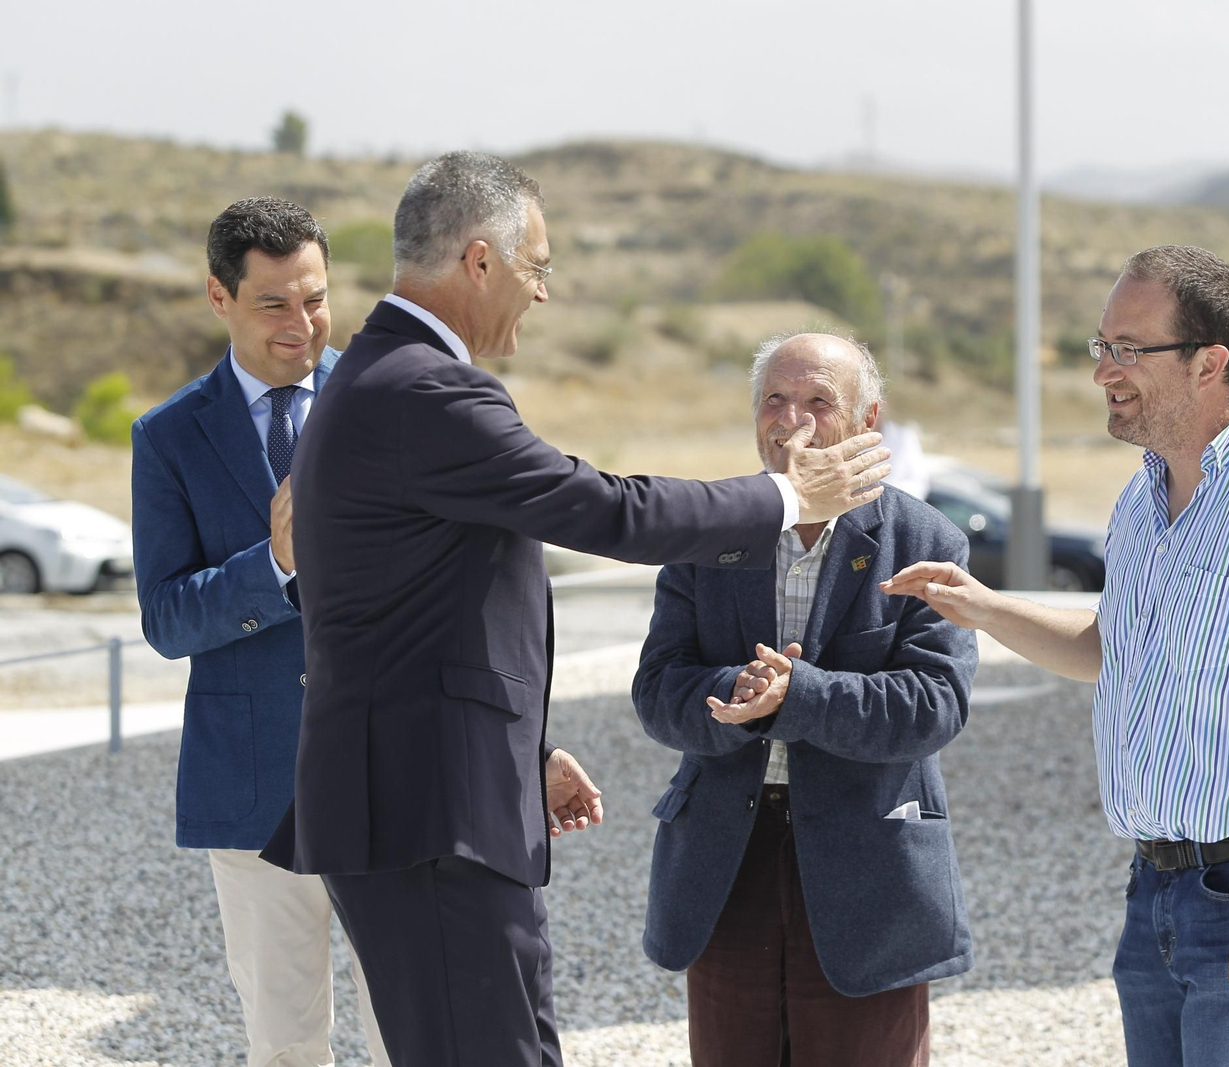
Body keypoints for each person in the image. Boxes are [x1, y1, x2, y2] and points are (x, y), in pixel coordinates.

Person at [259, 153, 891, 1067]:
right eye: (537, 267)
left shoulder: (378, 381)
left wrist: (524, 752)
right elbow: (608, 508)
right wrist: (787, 497)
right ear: (480, 262)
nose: (543, 294)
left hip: (433, 798)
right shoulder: (426, 391)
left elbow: (411, 620)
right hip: (430, 816)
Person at [883, 245, 1229, 1067]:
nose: (1103, 371)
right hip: (1157, 883)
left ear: (1209, 363)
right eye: (1100, 347)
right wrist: (977, 604)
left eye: (1128, 349)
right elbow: (1111, 648)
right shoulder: (1144, 495)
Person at [633, 332, 977, 1067]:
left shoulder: (924, 538)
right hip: (727, 867)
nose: (793, 419)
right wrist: (733, 693)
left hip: (869, 874)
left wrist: (799, 697)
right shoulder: (710, 531)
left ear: (867, 420)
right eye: (775, 399)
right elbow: (657, 687)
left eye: (820, 400)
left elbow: (934, 703)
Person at [132, 197, 389, 1067]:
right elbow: (167, 618)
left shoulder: (391, 403)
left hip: (392, 775)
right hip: (249, 792)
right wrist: (273, 567)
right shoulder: (167, 437)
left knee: (413, 1031)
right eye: (273, 302)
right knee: (283, 1044)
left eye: (315, 299)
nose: (302, 324)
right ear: (219, 296)